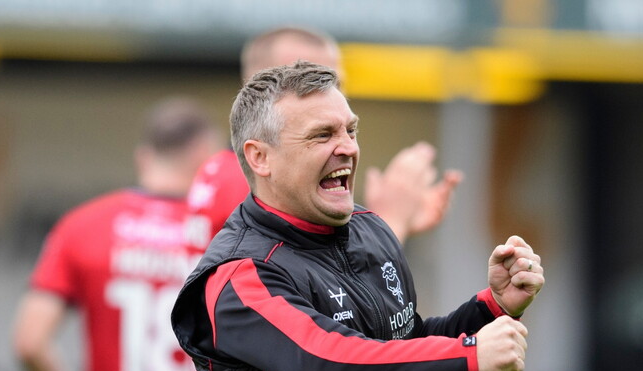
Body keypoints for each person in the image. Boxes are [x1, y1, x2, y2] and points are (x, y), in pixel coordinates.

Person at [169, 61, 545, 371]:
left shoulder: (370, 231)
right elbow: (330, 364)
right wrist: (470, 354)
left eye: (350, 129)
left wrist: (490, 308)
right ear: (260, 157)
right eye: (322, 134)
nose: (347, 147)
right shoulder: (241, 274)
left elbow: (398, 348)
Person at [12, 97, 222, 371]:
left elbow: (29, 342)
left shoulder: (85, 225)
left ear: (144, 156)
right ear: (204, 158)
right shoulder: (225, 234)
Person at [188, 26, 462, 243]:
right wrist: (391, 223)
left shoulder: (223, 170)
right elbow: (322, 298)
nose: (333, 94)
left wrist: (385, 224)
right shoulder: (254, 184)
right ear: (266, 86)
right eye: (310, 78)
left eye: (336, 82)